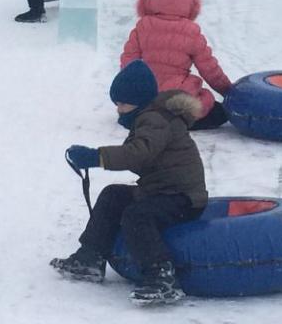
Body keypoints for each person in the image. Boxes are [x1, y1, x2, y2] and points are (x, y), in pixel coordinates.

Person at [50, 60, 206, 305]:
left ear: (140, 101)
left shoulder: (155, 120)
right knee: (113, 195)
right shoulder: (149, 117)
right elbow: (141, 158)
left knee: (136, 215)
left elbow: (138, 153)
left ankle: (162, 276)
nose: (119, 109)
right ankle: (90, 257)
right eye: (116, 104)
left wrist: (96, 156)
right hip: (161, 190)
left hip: (182, 197)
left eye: (123, 103)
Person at [119, 0, 231, 128]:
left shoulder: (142, 26)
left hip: (147, 97)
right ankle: (178, 120)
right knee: (216, 110)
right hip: (177, 97)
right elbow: (209, 69)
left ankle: (145, 118)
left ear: (150, 0)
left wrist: (128, 95)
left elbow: (128, 64)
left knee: (135, 111)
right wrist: (228, 90)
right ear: (189, 3)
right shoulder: (191, 31)